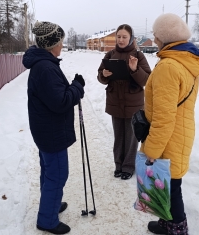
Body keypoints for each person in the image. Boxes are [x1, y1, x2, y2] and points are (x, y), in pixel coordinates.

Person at [140, 13, 199, 234]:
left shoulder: (169, 66)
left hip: (169, 138)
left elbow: (164, 117)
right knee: (167, 185)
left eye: (156, 34)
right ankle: (165, 223)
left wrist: (152, 149)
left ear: (165, 36)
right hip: (180, 133)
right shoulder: (185, 60)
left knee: (171, 188)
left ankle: (177, 229)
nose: (154, 38)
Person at [22, 21, 85, 234]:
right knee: (57, 174)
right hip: (51, 131)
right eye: (60, 42)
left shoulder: (43, 63)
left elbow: (54, 96)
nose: (62, 46)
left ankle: (52, 204)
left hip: (45, 129)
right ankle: (47, 220)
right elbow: (60, 102)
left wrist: (71, 87)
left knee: (50, 171)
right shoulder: (46, 68)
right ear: (51, 45)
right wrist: (77, 87)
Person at [97, 24, 151, 180]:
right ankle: (118, 165)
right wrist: (104, 74)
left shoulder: (138, 56)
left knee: (131, 137)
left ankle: (128, 167)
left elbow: (147, 79)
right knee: (118, 136)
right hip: (115, 101)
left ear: (131, 38)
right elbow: (100, 77)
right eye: (118, 36)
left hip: (133, 103)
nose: (120, 40)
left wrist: (135, 69)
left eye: (124, 37)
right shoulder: (110, 55)